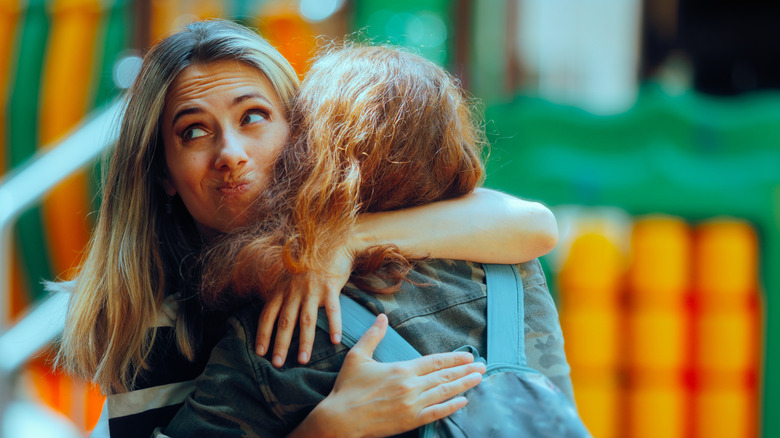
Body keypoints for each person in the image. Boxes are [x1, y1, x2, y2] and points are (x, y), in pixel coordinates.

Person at [54, 20, 559, 437]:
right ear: (164, 171)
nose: (229, 153)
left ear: (299, 133)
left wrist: (343, 241)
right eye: (194, 131)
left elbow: (533, 224)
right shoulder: (160, 323)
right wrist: (329, 428)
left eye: (253, 116)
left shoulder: (347, 238)